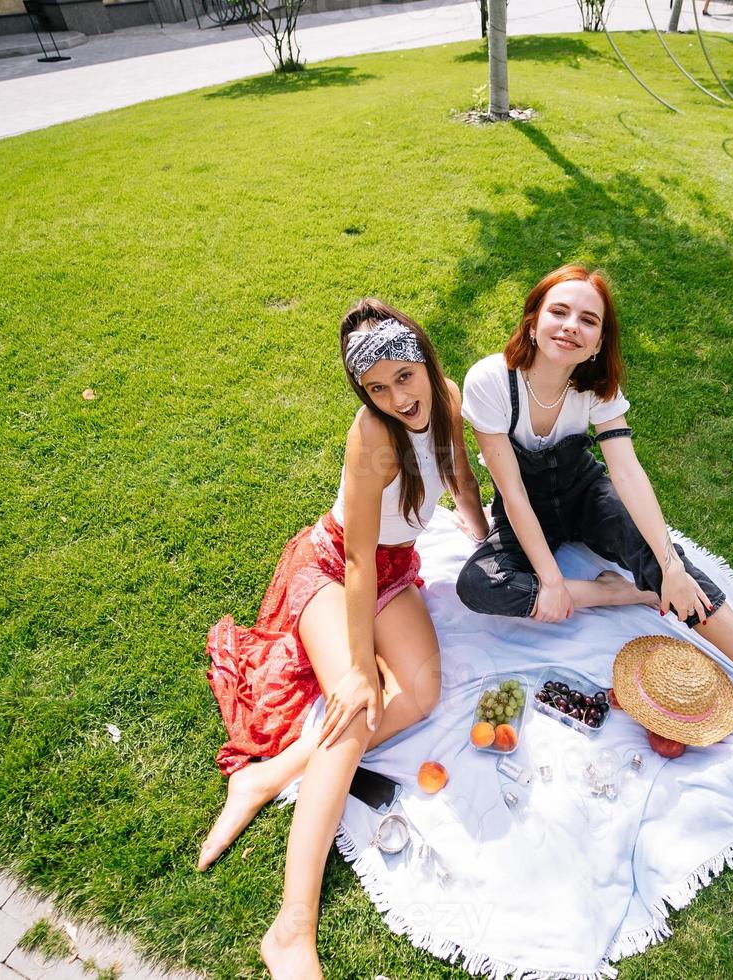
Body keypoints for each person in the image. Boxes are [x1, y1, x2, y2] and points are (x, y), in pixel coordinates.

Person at [201, 301, 488, 978]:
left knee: (420, 694)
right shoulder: (372, 437)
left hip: (394, 570)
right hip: (332, 569)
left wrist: (484, 540)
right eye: (376, 389)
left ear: (423, 357)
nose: (397, 397)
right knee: (355, 707)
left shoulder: (444, 396)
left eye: (403, 376)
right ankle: (291, 929)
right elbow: (357, 560)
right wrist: (358, 667)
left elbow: (461, 479)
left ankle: (272, 773)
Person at [454, 266, 733, 748]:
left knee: (672, 570)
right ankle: (618, 593)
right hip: (526, 507)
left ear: (599, 341)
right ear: (533, 319)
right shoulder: (491, 380)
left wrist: (668, 565)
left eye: (588, 320)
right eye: (558, 312)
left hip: (583, 494)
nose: (570, 327)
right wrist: (555, 582)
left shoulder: (595, 387)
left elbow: (626, 472)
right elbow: (513, 492)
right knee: (478, 584)